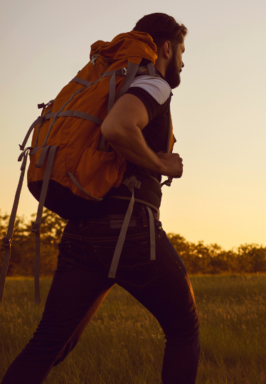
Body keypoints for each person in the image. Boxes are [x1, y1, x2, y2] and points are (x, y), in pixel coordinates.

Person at [2, 14, 199, 384]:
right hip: (131, 232)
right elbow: (117, 126)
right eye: (183, 51)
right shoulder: (153, 83)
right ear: (167, 48)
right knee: (184, 329)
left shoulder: (109, 82)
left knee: (47, 343)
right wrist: (162, 164)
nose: (184, 62)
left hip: (81, 232)